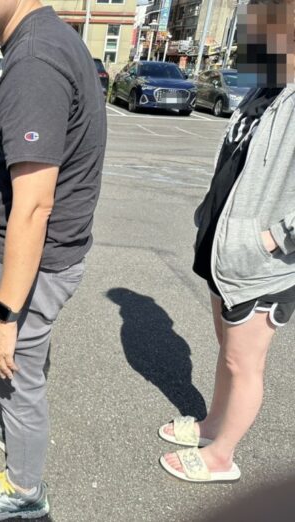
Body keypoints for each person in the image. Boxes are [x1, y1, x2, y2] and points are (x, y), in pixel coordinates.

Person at [0, 0, 107, 519]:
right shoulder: (42, 40)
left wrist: (6, 315)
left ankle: (23, 489)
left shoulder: (35, 59)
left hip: (35, 260)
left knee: (12, 374)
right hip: (13, 250)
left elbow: (35, 206)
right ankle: (4, 423)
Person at [158, 0, 295, 484]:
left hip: (264, 261)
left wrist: (275, 239)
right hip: (225, 246)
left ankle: (223, 456)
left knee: (244, 360)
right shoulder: (265, 88)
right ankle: (214, 425)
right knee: (226, 349)